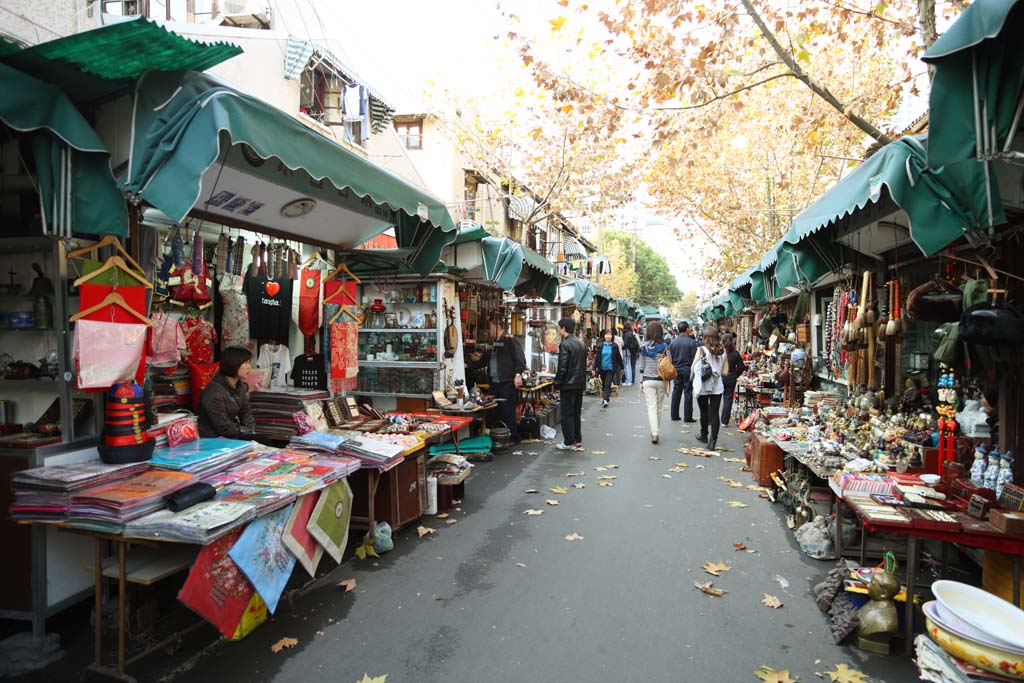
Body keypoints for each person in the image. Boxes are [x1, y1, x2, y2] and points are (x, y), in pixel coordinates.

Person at [480, 319, 526, 444]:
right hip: (494, 383)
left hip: (507, 382)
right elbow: (484, 361)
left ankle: (514, 438)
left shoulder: (510, 340)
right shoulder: (492, 343)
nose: (489, 331)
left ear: (498, 326)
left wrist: (518, 374)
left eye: (490, 328)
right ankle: (498, 437)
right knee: (494, 411)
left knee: (507, 411)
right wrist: (468, 364)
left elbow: (520, 359)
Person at [197, 346, 257, 439]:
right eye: (245, 363)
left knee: (262, 441)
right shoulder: (213, 391)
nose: (249, 367)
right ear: (233, 364)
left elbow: (246, 412)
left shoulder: (239, 386)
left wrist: (251, 432)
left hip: (231, 435)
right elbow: (222, 426)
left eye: (249, 363)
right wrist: (244, 431)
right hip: (213, 439)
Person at [690, 329, 729, 451]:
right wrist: (716, 371)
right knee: (714, 413)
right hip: (717, 387)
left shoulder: (701, 350)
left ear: (705, 338)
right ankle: (713, 441)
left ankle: (703, 434)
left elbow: (693, 368)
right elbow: (725, 372)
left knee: (703, 411)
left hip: (703, 385)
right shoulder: (723, 352)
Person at [554, 317, 588, 451]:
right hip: (579, 383)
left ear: (563, 328)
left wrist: (557, 383)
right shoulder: (581, 343)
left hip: (568, 384)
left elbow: (562, 367)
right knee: (576, 413)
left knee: (566, 414)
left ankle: (568, 441)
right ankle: (577, 440)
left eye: (559, 328)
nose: (559, 331)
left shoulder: (565, 344)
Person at [637, 321, 669, 444]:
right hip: (661, 380)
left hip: (647, 380)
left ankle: (654, 433)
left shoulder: (643, 347)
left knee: (651, 407)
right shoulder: (665, 347)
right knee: (659, 408)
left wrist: (640, 382)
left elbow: (642, 366)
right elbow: (669, 362)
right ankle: (655, 431)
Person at [669, 321, 698, 423]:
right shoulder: (691, 342)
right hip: (687, 369)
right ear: (686, 330)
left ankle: (674, 414)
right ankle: (687, 416)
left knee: (676, 391)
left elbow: (670, 357)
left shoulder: (673, 342)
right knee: (688, 392)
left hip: (676, 368)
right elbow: (694, 358)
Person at [593, 329, 624, 410]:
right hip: (602, 368)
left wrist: (622, 368)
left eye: (610, 335)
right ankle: (606, 397)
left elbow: (618, 358)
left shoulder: (614, 346)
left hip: (611, 368)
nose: (608, 336)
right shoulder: (600, 346)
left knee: (607, 384)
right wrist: (594, 368)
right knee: (604, 384)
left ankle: (605, 400)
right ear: (604, 336)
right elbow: (597, 358)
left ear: (612, 336)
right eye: (607, 334)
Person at [720, 332, 746, 427]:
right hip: (731, 377)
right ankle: (724, 421)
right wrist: (735, 375)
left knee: (716, 399)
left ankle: (712, 419)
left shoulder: (719, 353)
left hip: (720, 377)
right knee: (728, 399)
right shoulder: (735, 354)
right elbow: (741, 367)